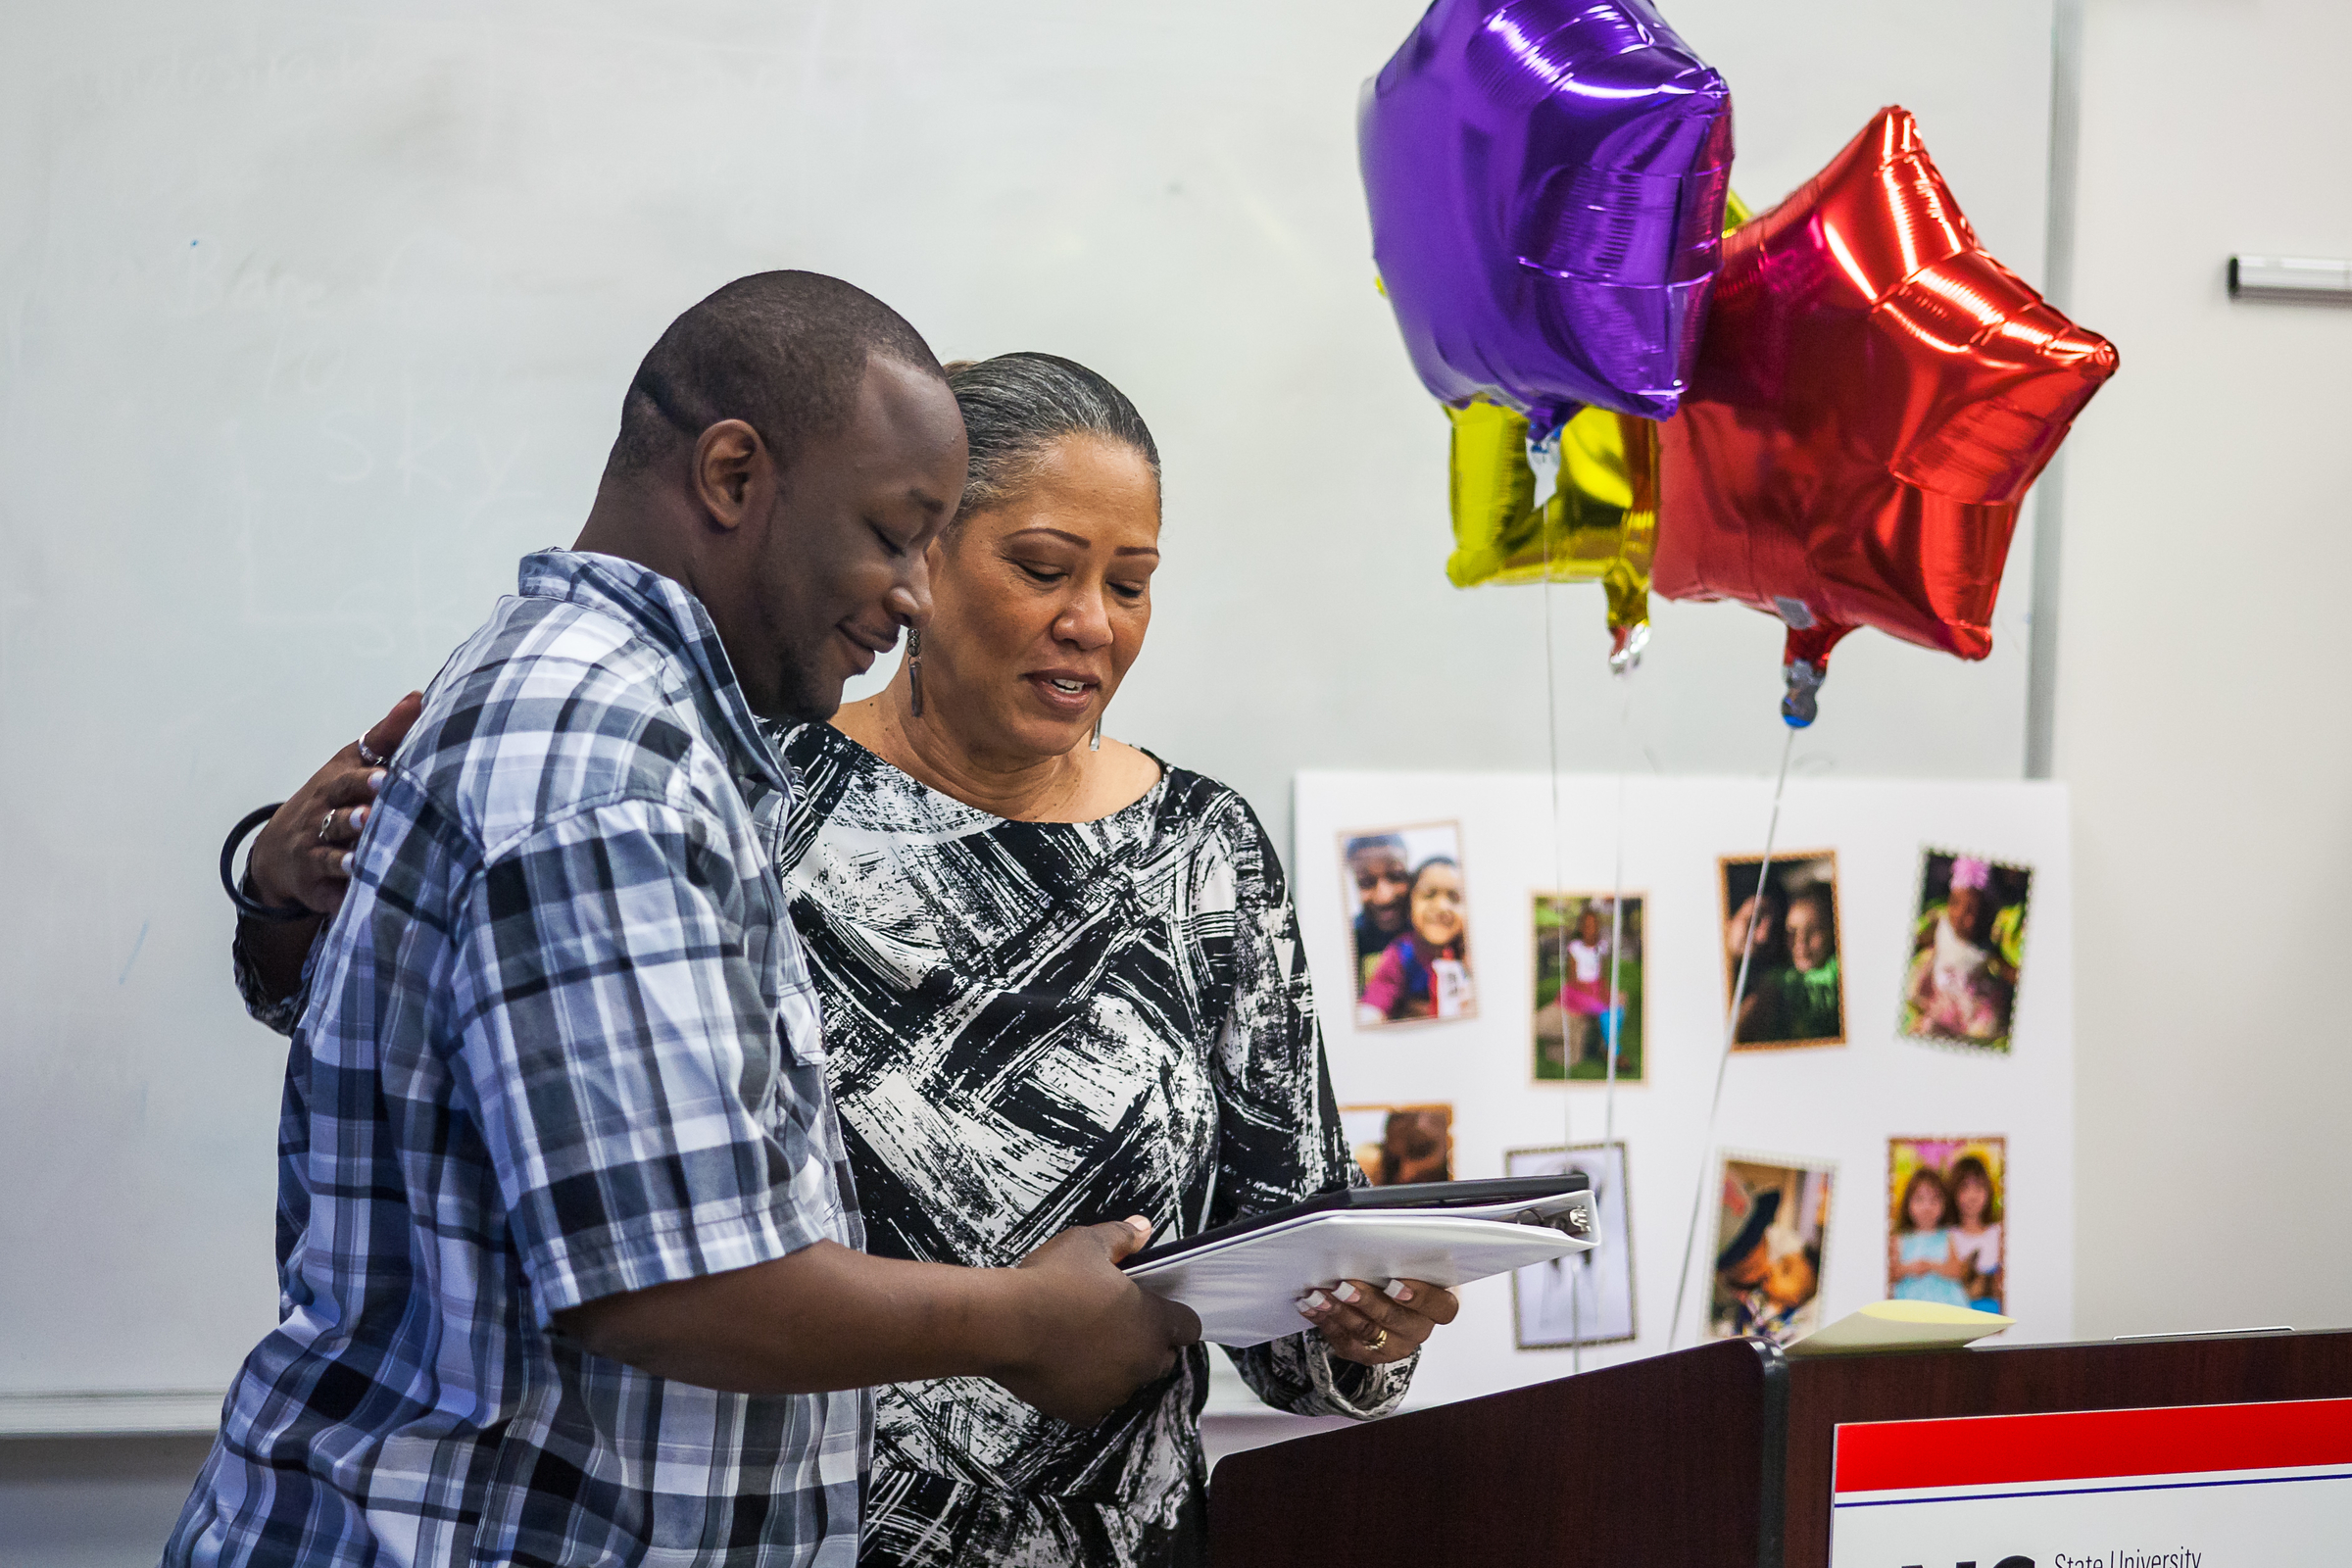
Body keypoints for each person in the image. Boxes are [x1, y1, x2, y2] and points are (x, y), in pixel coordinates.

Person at [236, 349, 1459, 1568]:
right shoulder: (751, 779)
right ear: (923, 561)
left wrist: (1361, 1324)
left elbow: (1278, 1257)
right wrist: (279, 898)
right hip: (777, 1529)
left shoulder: (1205, 852)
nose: (1089, 621)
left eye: (1130, 584)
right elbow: (451, 1042)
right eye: (1042, 567)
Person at [1903, 857, 2023, 1043]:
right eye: (1955, 904)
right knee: (1925, 1020)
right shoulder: (1942, 924)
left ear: (1987, 914)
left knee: (1982, 1031)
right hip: (1940, 993)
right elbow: (1921, 939)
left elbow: (2006, 969)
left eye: (1971, 911)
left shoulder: (1987, 943)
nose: (1960, 916)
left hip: (1971, 1004)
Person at [1357, 856, 1472, 1023]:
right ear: (1410, 904)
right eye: (1429, 895)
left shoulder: (1469, 950)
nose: (1441, 906)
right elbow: (1377, 999)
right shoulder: (1401, 953)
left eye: (1455, 897)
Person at [1888, 1166, 1972, 1307]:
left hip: (1945, 1306)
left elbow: (1957, 1270)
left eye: (1934, 1200)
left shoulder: (1948, 1236)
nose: (1927, 1207)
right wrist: (1909, 1269)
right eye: (1919, 1199)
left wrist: (1931, 1266)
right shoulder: (1899, 1239)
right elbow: (1891, 1273)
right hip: (1909, 1306)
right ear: (1908, 1204)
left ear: (1944, 1204)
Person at [1770, 884, 1843, 1042]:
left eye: (1815, 929)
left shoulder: (1840, 970)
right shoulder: (1779, 979)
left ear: (1833, 932)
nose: (1801, 942)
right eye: (1792, 931)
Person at [1723, 879, 1790, 1044]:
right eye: (1755, 918)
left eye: (1774, 929)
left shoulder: (1767, 987)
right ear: (1727, 916)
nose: (1763, 937)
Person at [1344, 833, 1413, 992]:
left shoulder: (1431, 935)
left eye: (1396, 876)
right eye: (1366, 882)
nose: (1384, 897)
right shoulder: (1349, 942)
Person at [1948, 1154, 2005, 1312]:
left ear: (1988, 1191)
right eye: (1964, 1188)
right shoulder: (1947, 1236)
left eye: (1978, 1187)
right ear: (1953, 1192)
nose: (1972, 1196)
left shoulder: (1999, 1233)